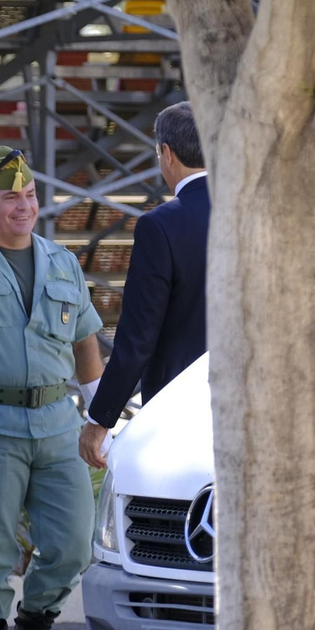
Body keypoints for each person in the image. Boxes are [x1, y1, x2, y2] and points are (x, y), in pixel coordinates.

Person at [0, 146, 104, 630]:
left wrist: (99, 416)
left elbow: (86, 343)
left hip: (57, 422)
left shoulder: (61, 261)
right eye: (10, 197)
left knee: (74, 543)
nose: (24, 206)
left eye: (29, 195)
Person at [80, 102, 210, 470]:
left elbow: (138, 337)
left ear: (167, 154)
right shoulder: (256, 213)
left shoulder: (161, 225)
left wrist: (99, 419)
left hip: (178, 408)